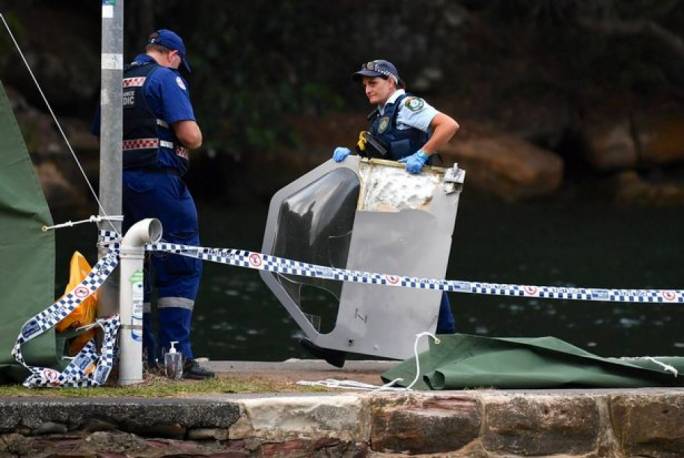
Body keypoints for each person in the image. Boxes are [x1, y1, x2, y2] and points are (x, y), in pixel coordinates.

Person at [94, 29, 213, 379]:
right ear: (173, 55)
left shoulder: (116, 80)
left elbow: (100, 131)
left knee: (134, 265)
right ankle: (176, 355)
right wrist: (195, 139)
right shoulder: (166, 78)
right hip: (159, 183)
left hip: (117, 187)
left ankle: (139, 353)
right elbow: (190, 135)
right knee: (180, 262)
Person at [333, 59, 459, 335]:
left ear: (391, 81)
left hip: (416, 205)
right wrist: (352, 157)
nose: (367, 89)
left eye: (373, 83)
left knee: (421, 268)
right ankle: (350, 334)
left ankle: (445, 335)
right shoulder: (381, 115)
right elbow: (382, 159)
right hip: (389, 205)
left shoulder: (408, 106)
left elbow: (449, 126)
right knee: (375, 265)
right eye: (364, 85)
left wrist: (422, 154)